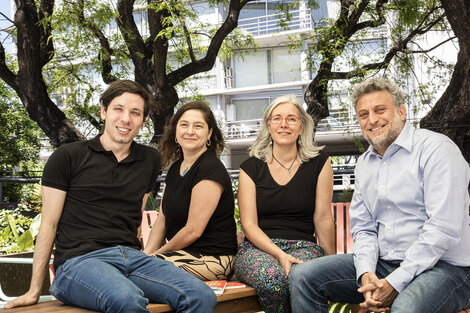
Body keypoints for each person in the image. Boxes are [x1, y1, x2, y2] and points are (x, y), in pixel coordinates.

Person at [4, 80, 216, 313]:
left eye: (135, 113)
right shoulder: (67, 157)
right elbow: (49, 223)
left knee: (201, 296)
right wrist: (34, 289)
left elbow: (136, 214)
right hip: (78, 263)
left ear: (143, 121)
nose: (126, 119)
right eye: (118, 109)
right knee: (127, 298)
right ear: (104, 111)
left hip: (131, 259)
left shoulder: (149, 159)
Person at [289, 77, 470, 313]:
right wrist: (366, 273)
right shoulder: (365, 163)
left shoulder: (437, 150)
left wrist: (395, 282)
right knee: (304, 276)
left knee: (406, 308)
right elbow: (363, 227)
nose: (372, 120)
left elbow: (442, 229)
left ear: (402, 112)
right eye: (363, 114)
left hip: (446, 268)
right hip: (386, 265)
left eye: (380, 110)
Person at [233, 95, 336, 313]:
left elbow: (323, 217)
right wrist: (279, 254)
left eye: (291, 119)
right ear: (268, 126)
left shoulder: (320, 162)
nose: (283, 124)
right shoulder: (250, 167)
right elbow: (249, 225)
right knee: (273, 280)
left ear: (301, 126)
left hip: (304, 247)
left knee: (302, 277)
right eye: (277, 118)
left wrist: (331, 262)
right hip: (257, 249)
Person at [143, 101, 237, 281]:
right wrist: (146, 253)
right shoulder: (175, 169)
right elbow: (162, 220)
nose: (190, 131)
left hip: (213, 258)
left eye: (198, 126)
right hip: (180, 255)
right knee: (134, 267)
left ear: (209, 133)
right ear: (175, 132)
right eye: (184, 125)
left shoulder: (210, 168)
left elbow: (193, 230)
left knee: (143, 272)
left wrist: (154, 257)